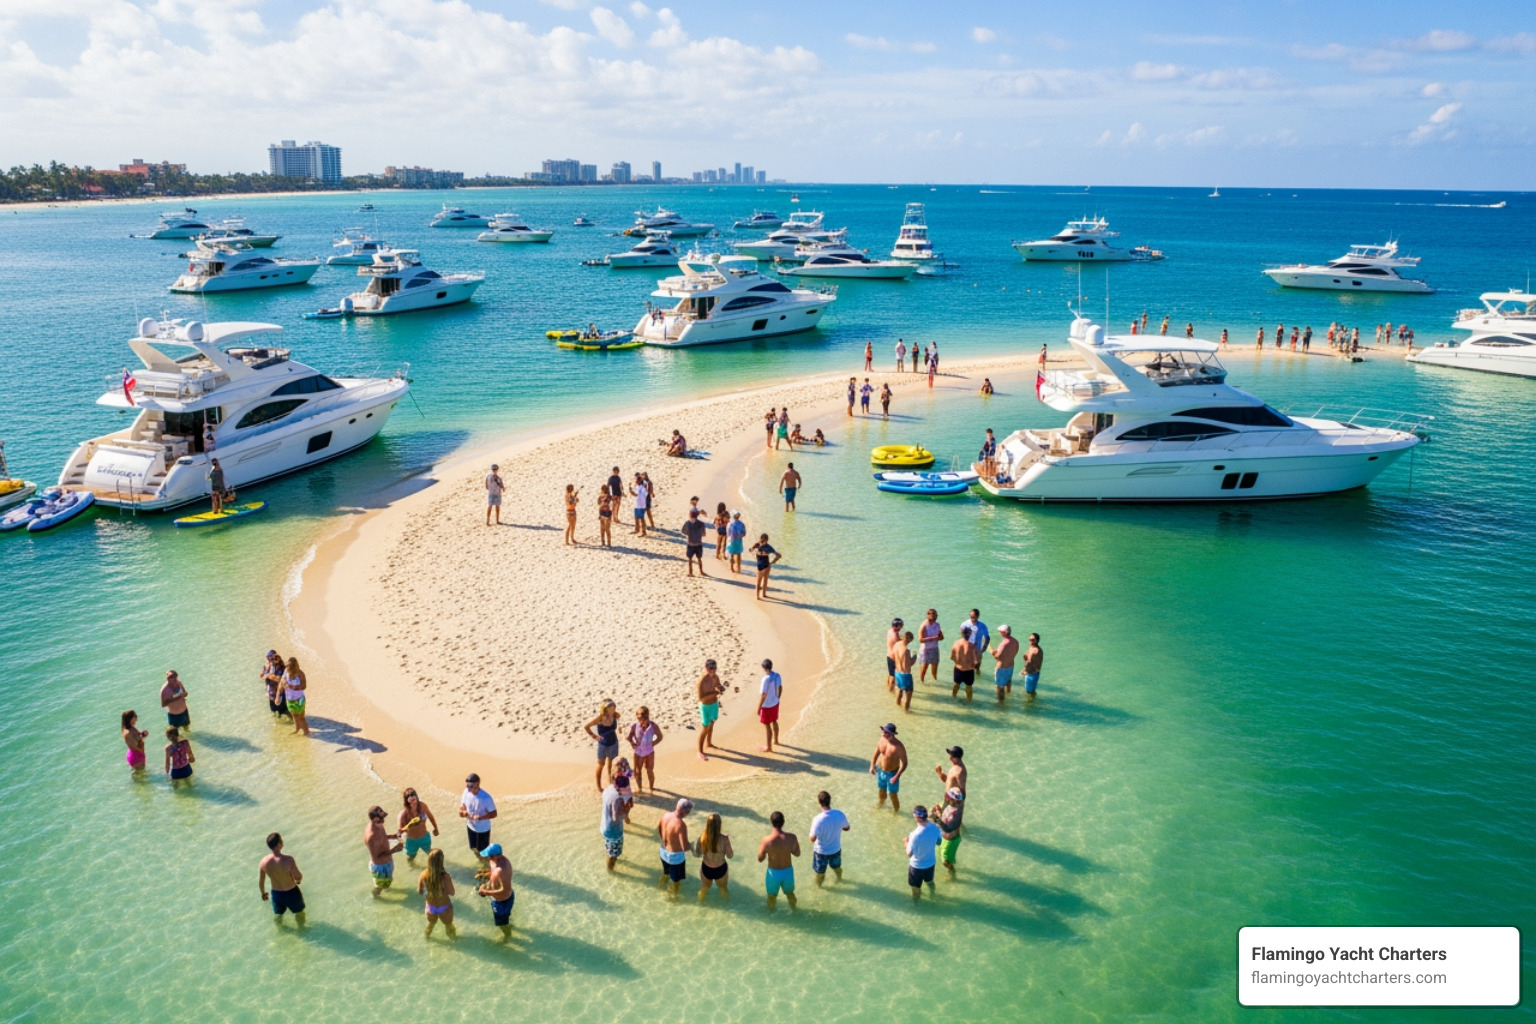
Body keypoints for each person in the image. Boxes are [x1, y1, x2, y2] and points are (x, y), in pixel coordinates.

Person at [757, 811, 801, 912]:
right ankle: (795, 911)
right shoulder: (792, 837)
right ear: (783, 822)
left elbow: (760, 859)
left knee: (772, 897)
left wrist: (767, 852)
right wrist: (787, 849)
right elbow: (797, 854)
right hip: (788, 872)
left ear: (771, 822)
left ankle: (771, 916)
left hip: (773, 873)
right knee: (790, 894)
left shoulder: (766, 840)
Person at [259, 833, 305, 926]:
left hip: (277, 895)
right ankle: (301, 930)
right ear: (279, 844)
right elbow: (298, 876)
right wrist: (298, 880)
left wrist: (263, 893)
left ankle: (280, 931)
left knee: (278, 915)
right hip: (291, 892)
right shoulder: (288, 860)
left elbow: (261, 881)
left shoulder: (263, 862)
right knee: (299, 913)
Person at [809, 791, 850, 886]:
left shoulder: (817, 819)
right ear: (830, 801)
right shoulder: (839, 814)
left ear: (819, 803)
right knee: (837, 867)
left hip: (821, 852)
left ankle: (818, 888)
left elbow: (812, 839)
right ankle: (839, 879)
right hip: (835, 849)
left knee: (820, 873)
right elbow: (847, 828)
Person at [477, 843, 515, 940]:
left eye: (489, 856)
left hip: (502, 901)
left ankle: (508, 936)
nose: (488, 858)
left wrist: (486, 892)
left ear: (495, 856)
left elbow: (504, 890)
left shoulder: (503, 869)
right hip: (498, 898)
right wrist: (486, 876)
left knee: (501, 924)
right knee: (505, 919)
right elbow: (494, 874)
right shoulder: (494, 861)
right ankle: (508, 923)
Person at [657, 798, 693, 898]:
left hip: (663, 851)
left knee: (666, 873)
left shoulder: (665, 815)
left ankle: (661, 885)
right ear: (686, 811)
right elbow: (684, 847)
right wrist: (694, 846)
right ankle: (673, 898)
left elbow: (659, 828)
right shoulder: (681, 825)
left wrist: (665, 841)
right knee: (676, 881)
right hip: (675, 858)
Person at [418, 848, 456, 939]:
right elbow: (452, 892)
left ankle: (426, 938)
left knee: (430, 925)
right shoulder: (445, 876)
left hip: (431, 908)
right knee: (449, 927)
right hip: (445, 907)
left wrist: (431, 892)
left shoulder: (423, 875)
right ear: (441, 861)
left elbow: (420, 892)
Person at [364, 805, 403, 897]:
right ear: (375, 819)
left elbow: (381, 837)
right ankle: (375, 895)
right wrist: (394, 850)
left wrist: (393, 836)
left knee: (386, 884)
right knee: (382, 886)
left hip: (386, 864)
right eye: (382, 817)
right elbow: (376, 857)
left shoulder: (378, 824)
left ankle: (380, 888)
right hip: (381, 868)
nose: (384, 819)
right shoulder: (371, 836)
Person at [695, 812, 733, 902]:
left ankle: (699, 905)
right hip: (720, 869)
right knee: (723, 890)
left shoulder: (702, 838)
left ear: (707, 824)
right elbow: (730, 855)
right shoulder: (724, 839)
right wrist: (727, 843)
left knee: (704, 889)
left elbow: (697, 853)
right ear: (719, 824)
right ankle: (727, 908)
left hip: (706, 868)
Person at [905, 806, 940, 900]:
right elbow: (939, 842)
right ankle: (933, 895)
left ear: (917, 817)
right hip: (930, 864)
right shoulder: (935, 827)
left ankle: (916, 906)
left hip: (916, 867)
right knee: (930, 882)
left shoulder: (914, 835)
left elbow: (909, 853)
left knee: (915, 888)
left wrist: (906, 843)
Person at [585, 699, 621, 791]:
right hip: (603, 745)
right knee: (601, 764)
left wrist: (620, 727)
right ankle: (599, 786)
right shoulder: (601, 718)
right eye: (610, 708)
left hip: (614, 743)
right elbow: (587, 726)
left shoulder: (615, 715)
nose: (612, 710)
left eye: (614, 708)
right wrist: (594, 736)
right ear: (605, 708)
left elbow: (619, 718)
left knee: (612, 764)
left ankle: (611, 782)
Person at [459, 773, 497, 859]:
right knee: (473, 848)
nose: (468, 789)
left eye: (471, 786)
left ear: (478, 784)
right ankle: (480, 861)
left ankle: (487, 865)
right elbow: (462, 807)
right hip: (470, 826)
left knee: (483, 851)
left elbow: (494, 813)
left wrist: (480, 817)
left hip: (483, 829)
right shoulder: (466, 792)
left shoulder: (486, 798)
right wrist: (462, 812)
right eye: (467, 786)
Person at [870, 723, 907, 812]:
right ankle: (881, 805)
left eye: (885, 731)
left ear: (890, 734)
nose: (882, 733)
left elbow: (905, 763)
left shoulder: (898, 746)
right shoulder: (881, 740)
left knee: (893, 795)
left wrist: (896, 776)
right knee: (881, 791)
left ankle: (896, 812)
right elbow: (876, 754)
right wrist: (872, 766)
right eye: (883, 730)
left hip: (892, 773)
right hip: (880, 771)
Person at [627, 706, 663, 793]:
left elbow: (660, 737)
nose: (642, 721)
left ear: (648, 716)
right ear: (637, 717)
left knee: (649, 769)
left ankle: (651, 788)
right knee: (637, 770)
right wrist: (632, 743)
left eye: (645, 718)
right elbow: (629, 737)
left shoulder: (653, 726)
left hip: (649, 751)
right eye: (640, 719)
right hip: (638, 751)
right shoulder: (635, 726)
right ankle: (640, 788)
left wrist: (652, 743)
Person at [601, 774, 633, 870]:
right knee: (613, 855)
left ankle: (611, 856)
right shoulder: (618, 800)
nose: (628, 791)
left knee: (610, 848)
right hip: (613, 832)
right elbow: (615, 818)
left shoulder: (609, 788)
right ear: (619, 789)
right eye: (626, 790)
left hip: (604, 824)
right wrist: (626, 810)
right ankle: (610, 870)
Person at [399, 788, 439, 863]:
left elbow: (431, 817)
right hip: (411, 840)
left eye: (413, 795)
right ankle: (412, 868)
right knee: (411, 858)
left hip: (424, 837)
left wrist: (436, 828)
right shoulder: (405, 813)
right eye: (409, 797)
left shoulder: (422, 806)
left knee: (431, 856)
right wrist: (409, 824)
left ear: (416, 796)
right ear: (407, 801)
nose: (413, 800)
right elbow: (401, 830)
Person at [696, 659, 726, 760]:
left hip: (714, 704)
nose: (712, 671)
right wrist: (714, 693)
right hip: (705, 706)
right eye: (710, 668)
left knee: (712, 723)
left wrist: (720, 688)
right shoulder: (702, 681)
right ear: (706, 668)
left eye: (714, 668)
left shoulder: (716, 677)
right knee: (705, 728)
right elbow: (701, 698)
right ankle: (700, 751)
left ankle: (709, 743)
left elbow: (718, 686)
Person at [757, 658, 783, 753]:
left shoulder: (765, 679)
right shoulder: (777, 675)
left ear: (764, 668)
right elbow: (780, 688)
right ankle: (776, 740)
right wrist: (778, 698)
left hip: (767, 705)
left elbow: (763, 695)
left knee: (767, 725)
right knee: (774, 721)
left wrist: (759, 707)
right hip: (775, 702)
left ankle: (769, 747)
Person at [936, 790, 964, 875]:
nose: (946, 798)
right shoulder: (949, 804)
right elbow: (941, 812)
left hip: (951, 841)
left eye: (948, 797)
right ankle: (951, 866)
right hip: (942, 836)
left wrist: (936, 818)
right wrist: (937, 810)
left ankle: (952, 874)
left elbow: (948, 828)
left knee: (946, 861)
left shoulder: (956, 813)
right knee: (941, 855)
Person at [282, 657, 309, 736]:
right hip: (289, 699)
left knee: (301, 716)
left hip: (299, 699)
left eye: (288, 666)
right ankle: (297, 728)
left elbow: (304, 686)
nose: (287, 668)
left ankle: (306, 732)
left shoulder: (300, 673)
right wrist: (285, 684)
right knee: (294, 715)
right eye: (286, 666)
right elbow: (282, 681)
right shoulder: (286, 672)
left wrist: (292, 687)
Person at [991, 624, 1019, 699]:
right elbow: (1015, 652)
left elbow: (997, 657)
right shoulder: (1015, 641)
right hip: (1011, 666)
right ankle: (1008, 694)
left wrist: (994, 653)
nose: (999, 633)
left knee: (999, 687)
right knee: (1008, 681)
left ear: (1003, 632)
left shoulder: (1003, 644)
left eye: (1000, 631)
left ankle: (1001, 704)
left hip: (1002, 668)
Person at [750, 533, 780, 600]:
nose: (761, 542)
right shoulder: (768, 547)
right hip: (766, 564)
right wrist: (772, 562)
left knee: (759, 581)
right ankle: (763, 594)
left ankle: (758, 596)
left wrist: (772, 562)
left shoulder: (757, 545)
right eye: (761, 541)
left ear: (766, 541)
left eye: (762, 541)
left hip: (762, 565)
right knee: (764, 580)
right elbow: (778, 555)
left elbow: (751, 550)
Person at [917, 608, 943, 684]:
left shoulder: (937, 625)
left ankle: (935, 681)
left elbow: (941, 637)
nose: (934, 615)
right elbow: (920, 639)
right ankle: (922, 683)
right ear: (928, 615)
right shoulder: (924, 625)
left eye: (935, 614)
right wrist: (933, 638)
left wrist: (940, 637)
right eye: (932, 614)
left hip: (935, 648)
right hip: (926, 649)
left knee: (935, 668)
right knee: (924, 669)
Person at [681, 508, 709, 577]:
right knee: (699, 558)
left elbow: (683, 531)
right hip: (698, 543)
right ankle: (701, 571)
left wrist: (689, 533)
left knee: (690, 558)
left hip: (690, 543)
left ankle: (690, 572)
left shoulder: (687, 523)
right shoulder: (701, 524)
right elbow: (704, 534)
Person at [261, 651, 289, 720]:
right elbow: (263, 674)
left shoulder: (279, 667)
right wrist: (263, 674)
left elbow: (280, 679)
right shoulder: (267, 666)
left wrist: (268, 676)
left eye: (269, 658)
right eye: (267, 658)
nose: (267, 659)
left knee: (283, 712)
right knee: (274, 712)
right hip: (271, 694)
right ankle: (277, 726)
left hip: (280, 694)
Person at [893, 631, 916, 712]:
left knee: (899, 692)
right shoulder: (906, 650)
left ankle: (897, 708)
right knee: (908, 695)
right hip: (905, 675)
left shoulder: (896, 645)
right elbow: (908, 665)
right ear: (910, 640)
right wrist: (914, 657)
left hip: (897, 672)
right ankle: (906, 712)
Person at [885, 617, 905, 692]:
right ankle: (891, 690)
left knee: (890, 674)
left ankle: (888, 686)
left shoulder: (889, 631)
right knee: (893, 676)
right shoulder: (896, 636)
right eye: (900, 626)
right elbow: (900, 646)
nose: (901, 628)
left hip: (888, 656)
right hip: (894, 658)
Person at [1024, 632, 1044, 697]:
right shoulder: (1031, 647)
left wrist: (1028, 671)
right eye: (1030, 640)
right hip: (1029, 673)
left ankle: (1030, 705)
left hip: (1032, 675)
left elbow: (1036, 665)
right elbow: (1029, 661)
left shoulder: (1036, 651)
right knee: (1030, 692)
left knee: (1029, 693)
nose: (1031, 641)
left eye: (1033, 640)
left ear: (1037, 640)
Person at [630, 473, 648, 538]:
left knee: (642, 518)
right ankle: (637, 529)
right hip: (637, 504)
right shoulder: (637, 487)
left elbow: (643, 492)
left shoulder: (643, 487)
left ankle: (644, 532)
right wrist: (630, 490)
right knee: (636, 518)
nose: (636, 482)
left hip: (642, 505)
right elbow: (635, 494)